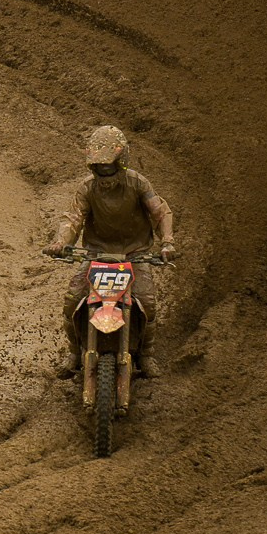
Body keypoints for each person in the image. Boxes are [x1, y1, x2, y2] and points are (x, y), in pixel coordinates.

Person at [44, 124, 177, 378]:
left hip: (135, 254)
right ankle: (74, 352)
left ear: (121, 161)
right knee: (72, 301)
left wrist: (167, 242)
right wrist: (61, 242)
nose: (104, 172)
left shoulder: (138, 183)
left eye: (109, 166)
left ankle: (146, 355)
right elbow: (72, 217)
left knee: (147, 303)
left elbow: (160, 212)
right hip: (97, 254)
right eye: (99, 167)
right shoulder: (87, 188)